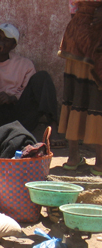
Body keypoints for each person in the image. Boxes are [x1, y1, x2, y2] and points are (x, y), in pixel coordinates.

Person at [0, 23, 58, 141]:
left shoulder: (25, 64)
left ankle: (53, 129)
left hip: (20, 117)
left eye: (6, 40)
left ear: (13, 45)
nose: (0, 43)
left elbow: (28, 92)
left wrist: (12, 98)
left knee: (43, 77)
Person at [58, 1, 102, 175]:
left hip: (76, 35)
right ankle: (100, 163)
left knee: (75, 95)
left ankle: (73, 157)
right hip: (95, 35)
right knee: (96, 97)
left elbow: (73, 9)